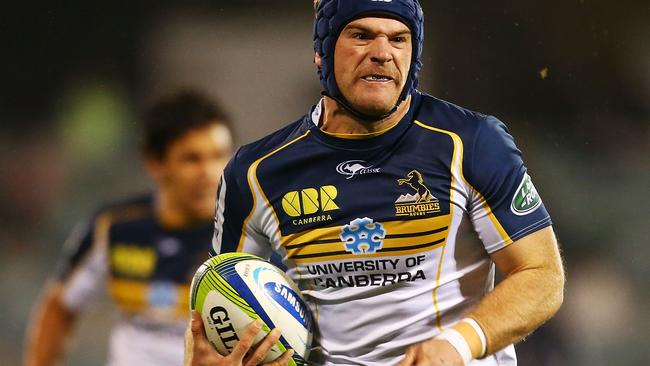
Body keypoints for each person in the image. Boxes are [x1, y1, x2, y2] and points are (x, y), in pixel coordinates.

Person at [186, 0, 565, 365]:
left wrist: (458, 343)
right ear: (323, 52)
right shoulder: (255, 172)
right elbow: (217, 300)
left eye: (399, 38)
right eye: (362, 35)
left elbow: (541, 276)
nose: (383, 52)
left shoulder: (471, 142)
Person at [24, 90, 235, 366]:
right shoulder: (115, 229)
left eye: (219, 155)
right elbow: (59, 307)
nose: (209, 172)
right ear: (155, 163)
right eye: (192, 159)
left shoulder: (246, 236)